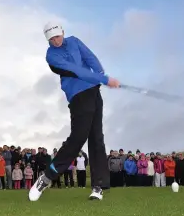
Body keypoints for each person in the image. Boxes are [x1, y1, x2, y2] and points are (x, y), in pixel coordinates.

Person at [29, 23, 120, 202]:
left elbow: (90, 58)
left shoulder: (74, 41)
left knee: (97, 137)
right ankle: (46, 178)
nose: (56, 40)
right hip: (78, 95)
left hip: (94, 91)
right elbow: (77, 71)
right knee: (78, 138)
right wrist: (105, 79)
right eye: (52, 38)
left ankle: (98, 186)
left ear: (62, 32)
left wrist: (101, 75)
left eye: (58, 35)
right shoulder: (52, 56)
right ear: (47, 40)